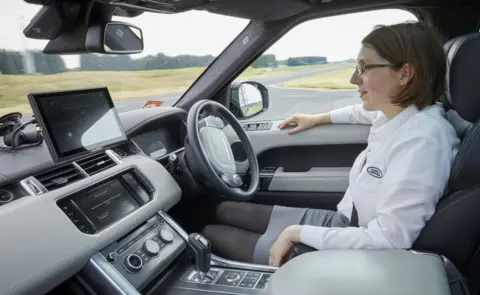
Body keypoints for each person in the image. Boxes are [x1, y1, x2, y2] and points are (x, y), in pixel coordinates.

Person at [201, 21, 460, 267]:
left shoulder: (424, 142)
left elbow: (390, 238)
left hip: (360, 247)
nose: (353, 79)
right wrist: (316, 119)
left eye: (364, 67)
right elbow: (362, 112)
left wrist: (297, 233)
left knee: (211, 233)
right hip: (343, 223)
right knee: (224, 209)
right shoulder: (402, 112)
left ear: (404, 74)